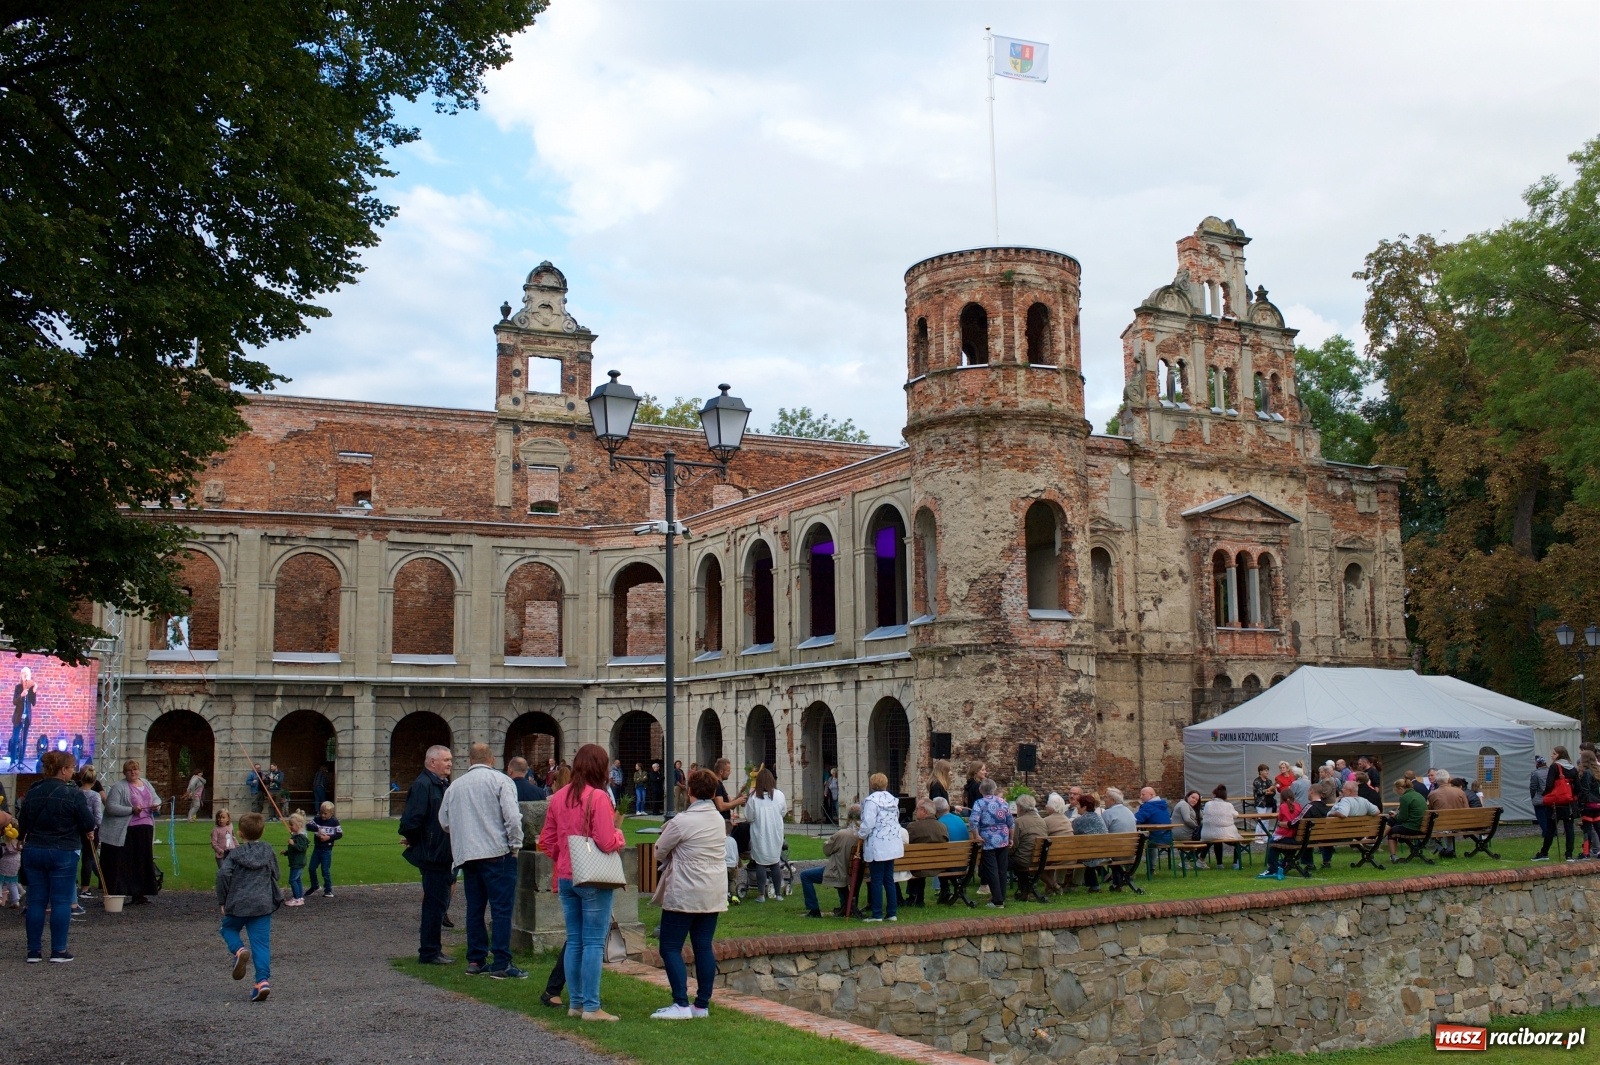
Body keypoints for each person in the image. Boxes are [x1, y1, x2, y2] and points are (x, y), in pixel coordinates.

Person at [539, 742, 627, 1021]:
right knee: (593, 943)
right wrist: (620, 837)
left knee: (575, 941)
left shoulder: (558, 796)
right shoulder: (598, 797)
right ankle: (591, 1006)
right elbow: (606, 840)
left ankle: (576, 1004)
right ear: (600, 768)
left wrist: (564, 856)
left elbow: (546, 840)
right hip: (593, 877)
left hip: (566, 876)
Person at [439, 742, 525, 978]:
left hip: (469, 854)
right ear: (492, 759)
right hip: (497, 852)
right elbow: (512, 817)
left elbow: (444, 821)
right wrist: (515, 844)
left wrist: (466, 831)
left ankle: (476, 960)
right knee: (501, 909)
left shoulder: (455, 786)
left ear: (469, 760)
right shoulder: (501, 781)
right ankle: (501, 962)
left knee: (475, 909)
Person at [648, 767, 729, 1019]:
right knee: (703, 946)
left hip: (685, 890)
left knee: (670, 946)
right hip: (712, 890)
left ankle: (681, 1004)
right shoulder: (718, 819)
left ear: (690, 790)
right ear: (713, 792)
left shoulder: (681, 821)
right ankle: (701, 1005)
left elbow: (659, 851)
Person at [19, 750, 95, 960]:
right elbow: (88, 822)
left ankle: (33, 951)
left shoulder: (33, 791)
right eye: (71, 768)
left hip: (34, 849)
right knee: (61, 901)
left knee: (35, 901)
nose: (73, 772)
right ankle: (58, 950)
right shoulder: (73, 793)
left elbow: (23, 824)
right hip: (63, 850)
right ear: (63, 770)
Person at [399, 744, 457, 965]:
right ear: (433, 762)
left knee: (440, 903)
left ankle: (434, 949)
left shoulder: (441, 784)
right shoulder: (423, 785)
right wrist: (421, 841)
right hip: (433, 853)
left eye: (450, 759)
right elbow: (411, 821)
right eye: (446, 760)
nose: (450, 763)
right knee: (434, 904)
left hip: (442, 852)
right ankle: (429, 951)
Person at [216, 812, 280, 1001]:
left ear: (240, 833)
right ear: (263, 831)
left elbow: (223, 875)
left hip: (239, 903)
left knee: (227, 929)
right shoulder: (268, 850)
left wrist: (222, 900)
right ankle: (262, 981)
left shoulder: (234, 855)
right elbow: (276, 874)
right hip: (262, 904)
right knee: (261, 944)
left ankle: (239, 950)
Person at [101, 758, 162, 904]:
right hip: (129, 829)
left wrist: (156, 805)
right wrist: (131, 810)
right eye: (129, 770)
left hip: (146, 827)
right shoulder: (119, 787)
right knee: (129, 861)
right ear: (125, 772)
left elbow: (157, 799)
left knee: (143, 861)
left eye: (135, 769)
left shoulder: (146, 783)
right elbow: (110, 807)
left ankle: (140, 893)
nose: (133, 772)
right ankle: (125, 891)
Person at [858, 771, 904, 921]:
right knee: (888, 879)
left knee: (876, 879)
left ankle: (877, 913)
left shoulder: (871, 801)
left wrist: (861, 835)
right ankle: (892, 912)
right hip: (892, 842)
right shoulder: (893, 800)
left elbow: (868, 822)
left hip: (878, 843)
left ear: (872, 784)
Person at [802, 804, 859, 917]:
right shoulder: (863, 834)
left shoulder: (842, 834)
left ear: (849, 818)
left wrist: (827, 843)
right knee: (840, 870)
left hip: (838, 871)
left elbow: (827, 850)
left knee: (805, 875)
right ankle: (845, 905)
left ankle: (814, 909)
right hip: (852, 871)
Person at [967, 777, 1013, 907]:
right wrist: (1011, 838)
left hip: (987, 839)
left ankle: (997, 900)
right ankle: (1001, 897)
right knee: (1002, 869)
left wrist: (976, 835)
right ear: (995, 789)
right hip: (1003, 838)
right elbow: (1011, 822)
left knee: (992, 869)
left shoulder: (979, 803)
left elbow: (973, 821)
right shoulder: (1003, 802)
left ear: (980, 790)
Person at [744, 767, 787, 901]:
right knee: (775, 863)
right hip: (775, 832)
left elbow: (749, 817)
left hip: (760, 833)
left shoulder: (753, 798)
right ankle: (778, 894)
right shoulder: (779, 795)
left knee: (761, 864)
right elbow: (783, 812)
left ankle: (761, 894)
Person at [1532, 746, 1578, 862]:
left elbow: (1549, 784)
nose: (1552, 756)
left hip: (1556, 801)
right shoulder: (1573, 768)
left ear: (1559, 755)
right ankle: (1569, 854)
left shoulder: (1555, 767)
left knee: (1551, 828)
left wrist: (1546, 794)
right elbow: (1578, 787)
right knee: (1569, 828)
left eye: (1554, 754)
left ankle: (1544, 852)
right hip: (1568, 802)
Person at [904, 798, 950, 905]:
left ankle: (914, 897)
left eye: (917, 809)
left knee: (914, 861)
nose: (915, 811)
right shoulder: (942, 827)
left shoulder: (913, 827)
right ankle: (919, 898)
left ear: (924, 811)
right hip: (939, 866)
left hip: (918, 867)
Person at [1009, 794, 1048, 901]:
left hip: (1023, 860)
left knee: (1000, 861)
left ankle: (998, 894)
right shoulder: (1042, 821)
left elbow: (1013, 845)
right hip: (1039, 859)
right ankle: (1025, 892)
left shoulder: (1018, 822)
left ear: (1020, 808)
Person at [1070, 792, 1110, 890]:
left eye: (1078, 805)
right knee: (1088, 853)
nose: (1076, 807)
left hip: (1089, 854)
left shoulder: (1079, 820)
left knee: (1082, 854)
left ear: (1084, 807)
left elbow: (1072, 833)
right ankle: (1092, 885)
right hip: (1104, 852)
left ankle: (1072, 883)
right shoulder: (1099, 817)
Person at [1200, 785, 1244, 869]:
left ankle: (1219, 864)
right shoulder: (1228, 805)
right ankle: (1235, 863)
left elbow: (1204, 813)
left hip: (1208, 834)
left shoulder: (1207, 804)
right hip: (1226, 834)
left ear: (1214, 795)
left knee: (1217, 841)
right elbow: (1236, 815)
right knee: (1237, 842)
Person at [305, 801, 342, 896]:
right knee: (311, 868)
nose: (322, 815)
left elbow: (339, 834)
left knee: (325, 870)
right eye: (321, 813)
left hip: (327, 849)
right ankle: (315, 885)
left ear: (331, 813)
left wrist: (328, 838)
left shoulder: (334, 822)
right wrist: (317, 829)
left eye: (325, 813)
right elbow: (308, 826)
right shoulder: (317, 819)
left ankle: (328, 890)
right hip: (317, 848)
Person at [77, 765, 103, 897]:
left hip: (76, 829)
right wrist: (100, 827)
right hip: (91, 830)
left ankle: (73, 885)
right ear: (94, 781)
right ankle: (85, 888)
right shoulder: (95, 795)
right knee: (88, 858)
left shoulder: (75, 793)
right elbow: (98, 815)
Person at [9, 665, 36, 771]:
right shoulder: (18, 687)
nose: (25, 676)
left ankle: (21, 761)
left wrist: (34, 691)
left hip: (27, 717)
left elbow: (33, 703)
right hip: (18, 717)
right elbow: (14, 702)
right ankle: (12, 761)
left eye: (27, 674)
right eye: (24, 674)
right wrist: (21, 695)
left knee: (23, 740)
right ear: (21, 675)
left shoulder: (31, 687)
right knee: (15, 739)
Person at [1576, 749, 1600, 861]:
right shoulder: (1598, 771)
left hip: (1589, 805)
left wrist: (1581, 805)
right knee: (1598, 828)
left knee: (1587, 829)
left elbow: (1585, 790)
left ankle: (1586, 853)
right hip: (1598, 804)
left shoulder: (1586, 773)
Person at [283, 811, 310, 906]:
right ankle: (300, 897)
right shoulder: (297, 836)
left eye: (292, 825)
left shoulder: (301, 837)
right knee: (297, 879)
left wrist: (293, 843)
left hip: (298, 863)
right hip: (297, 862)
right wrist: (286, 852)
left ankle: (297, 898)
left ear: (299, 825)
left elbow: (302, 848)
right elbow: (294, 851)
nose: (290, 827)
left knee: (292, 880)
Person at [1173, 790, 1202, 863]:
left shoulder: (1189, 806)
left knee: (1207, 838)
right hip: (1183, 835)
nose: (1194, 800)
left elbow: (1202, 818)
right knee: (1208, 840)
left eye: (1196, 800)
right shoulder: (1184, 804)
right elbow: (1187, 819)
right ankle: (1187, 861)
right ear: (1187, 796)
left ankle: (1191, 860)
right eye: (1193, 797)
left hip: (1184, 833)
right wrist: (1197, 827)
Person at [1251, 763, 1278, 842]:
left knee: (1267, 821)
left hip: (1269, 803)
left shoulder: (1269, 781)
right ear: (1260, 772)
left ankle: (1265, 837)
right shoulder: (1257, 781)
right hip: (1261, 804)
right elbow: (1259, 792)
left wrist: (1270, 791)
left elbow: (1274, 792)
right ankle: (1257, 837)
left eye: (1267, 771)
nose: (1267, 772)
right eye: (1265, 771)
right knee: (1261, 820)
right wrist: (1268, 790)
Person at [0, 822, 20, 907]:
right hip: (16, 862)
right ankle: (15, 901)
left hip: (5, 862)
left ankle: (0, 897)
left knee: (0, 881)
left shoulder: (4, 842)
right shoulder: (17, 842)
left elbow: (1, 853)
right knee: (12, 883)